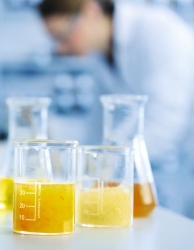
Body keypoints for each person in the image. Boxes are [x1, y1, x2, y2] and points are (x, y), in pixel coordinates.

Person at [37, 0, 194, 217]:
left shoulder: (158, 31)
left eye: (63, 36)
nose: (63, 49)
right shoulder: (100, 54)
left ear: (90, 9)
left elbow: (164, 122)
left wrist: (107, 168)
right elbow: (100, 123)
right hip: (148, 173)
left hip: (179, 168)